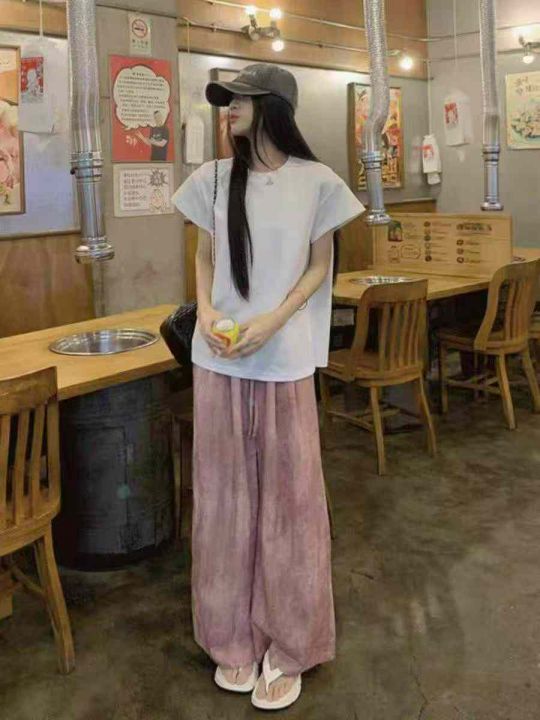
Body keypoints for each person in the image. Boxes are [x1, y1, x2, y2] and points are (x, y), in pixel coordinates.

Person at [171, 63, 364, 711]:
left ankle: (290, 643)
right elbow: (203, 255)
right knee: (223, 500)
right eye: (225, 100)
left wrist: (275, 320)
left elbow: (319, 265)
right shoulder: (210, 179)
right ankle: (230, 636)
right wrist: (207, 311)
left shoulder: (317, 182)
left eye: (240, 99)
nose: (227, 108)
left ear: (274, 107)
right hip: (219, 358)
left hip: (282, 359)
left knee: (290, 502)